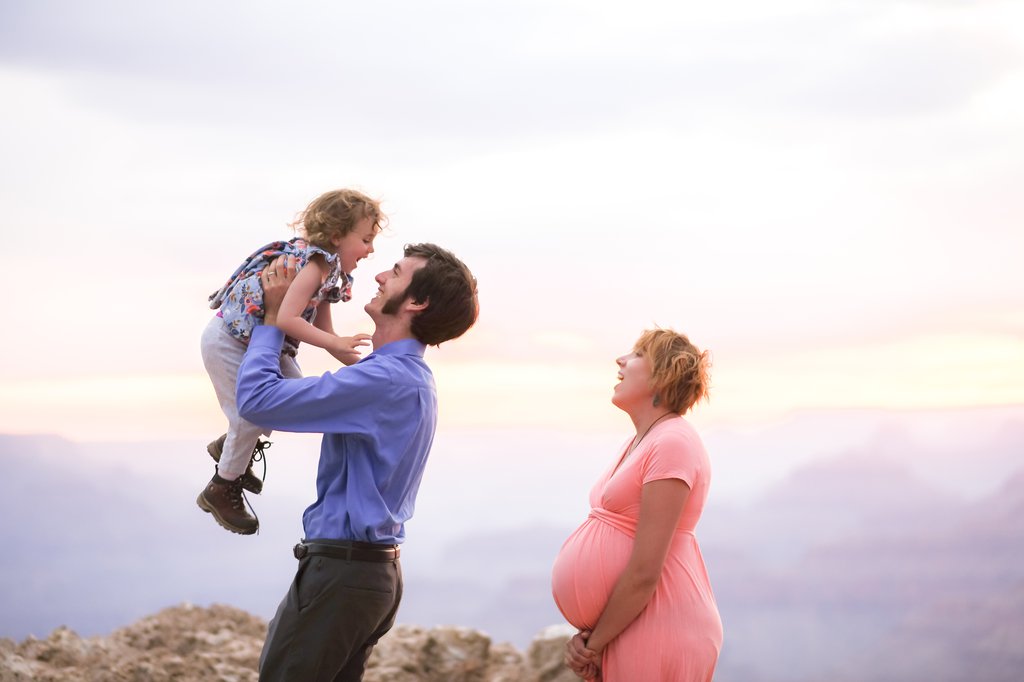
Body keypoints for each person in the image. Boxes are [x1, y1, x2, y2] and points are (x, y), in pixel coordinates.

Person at [235, 243, 478, 681]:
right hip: (367, 575)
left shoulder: (383, 379)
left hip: (343, 576)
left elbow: (257, 401)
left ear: (416, 302)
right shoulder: (406, 377)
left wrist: (272, 320)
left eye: (397, 273)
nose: (381, 275)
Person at [198, 188, 383, 535]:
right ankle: (221, 487)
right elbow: (285, 318)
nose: (370, 250)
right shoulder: (313, 264)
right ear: (336, 236)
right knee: (249, 414)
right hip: (227, 341)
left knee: (295, 399)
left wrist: (338, 349)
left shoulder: (329, 270)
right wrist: (332, 341)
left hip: (263, 347)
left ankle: (230, 447)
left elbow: (319, 321)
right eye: (366, 239)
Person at [551, 328, 723, 681]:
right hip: (630, 626)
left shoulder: (673, 442)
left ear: (664, 374)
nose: (621, 361)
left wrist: (594, 644)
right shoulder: (643, 440)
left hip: (662, 623)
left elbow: (646, 571)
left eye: (637, 354)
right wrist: (594, 637)